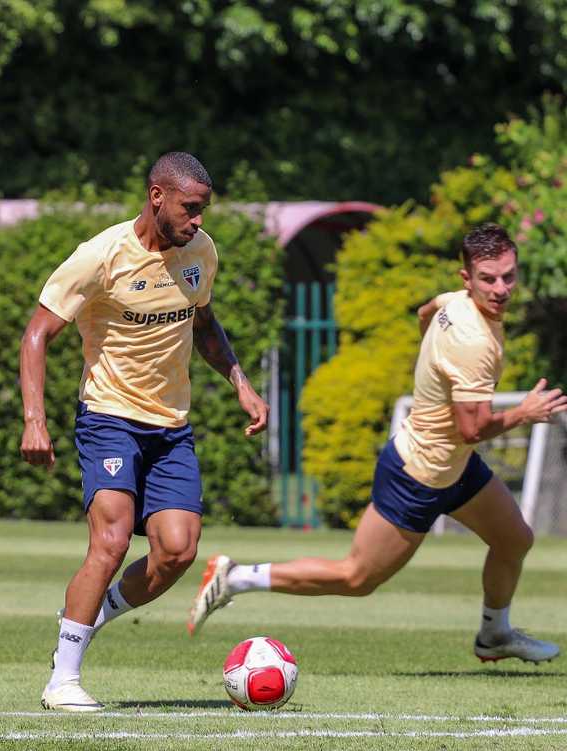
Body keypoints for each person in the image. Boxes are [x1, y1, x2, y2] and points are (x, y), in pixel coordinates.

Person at [189, 223, 566, 666]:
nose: (500, 288)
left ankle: (494, 635)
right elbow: (473, 429)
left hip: (455, 468)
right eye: (488, 278)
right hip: (417, 475)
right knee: (356, 577)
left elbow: (426, 313)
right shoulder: (474, 341)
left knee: (514, 539)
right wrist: (524, 413)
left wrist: (432, 368)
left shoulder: (453, 302)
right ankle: (236, 578)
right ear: (468, 278)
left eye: (508, 276)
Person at [20, 152, 269, 712]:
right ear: (158, 196)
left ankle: (90, 613)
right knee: (110, 542)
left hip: (171, 426)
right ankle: (62, 679)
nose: (198, 221)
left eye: (204, 210)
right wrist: (35, 418)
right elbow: (37, 334)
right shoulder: (100, 256)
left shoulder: (201, 253)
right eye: (190, 208)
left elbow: (203, 324)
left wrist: (240, 382)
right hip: (109, 417)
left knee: (178, 552)